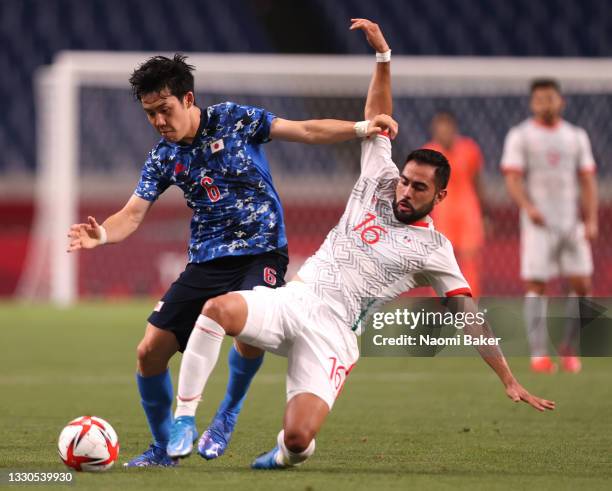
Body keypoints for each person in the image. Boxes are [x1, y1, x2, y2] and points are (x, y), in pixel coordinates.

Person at [168, 19, 555, 470]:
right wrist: (383, 57)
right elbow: (378, 118)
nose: (406, 191)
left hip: (335, 337)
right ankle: (185, 420)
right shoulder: (378, 177)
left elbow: (470, 318)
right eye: (406, 181)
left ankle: (284, 453)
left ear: (440, 196)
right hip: (297, 298)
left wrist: (508, 379)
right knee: (217, 309)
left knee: (297, 439)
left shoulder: (435, 249)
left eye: (419, 189)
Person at [66, 53, 390, 467]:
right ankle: (165, 448)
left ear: (188, 99)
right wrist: (103, 234)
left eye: (164, 110)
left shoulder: (234, 119)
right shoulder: (163, 157)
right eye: (150, 114)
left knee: (249, 331)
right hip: (207, 261)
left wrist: (361, 127)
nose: (159, 122)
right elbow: (132, 213)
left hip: (262, 250)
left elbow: (304, 129)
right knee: (149, 352)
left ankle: (227, 413)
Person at [501, 78, 598, 374]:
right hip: (538, 223)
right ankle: (539, 354)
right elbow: (513, 178)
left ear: (561, 101)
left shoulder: (576, 136)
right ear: (532, 104)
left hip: (571, 222)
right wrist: (529, 208)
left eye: (550, 98)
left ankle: (569, 348)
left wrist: (591, 218)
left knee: (581, 284)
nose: (545, 103)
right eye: (540, 99)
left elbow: (587, 179)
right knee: (537, 285)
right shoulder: (521, 135)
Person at [423, 111, 487, 297]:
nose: (443, 131)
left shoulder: (469, 149)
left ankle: (470, 304)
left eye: (446, 126)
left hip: (468, 209)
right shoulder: (428, 153)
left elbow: (477, 181)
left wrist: (485, 213)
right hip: (442, 211)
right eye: (439, 127)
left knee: (470, 260)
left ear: (454, 127)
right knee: (440, 260)